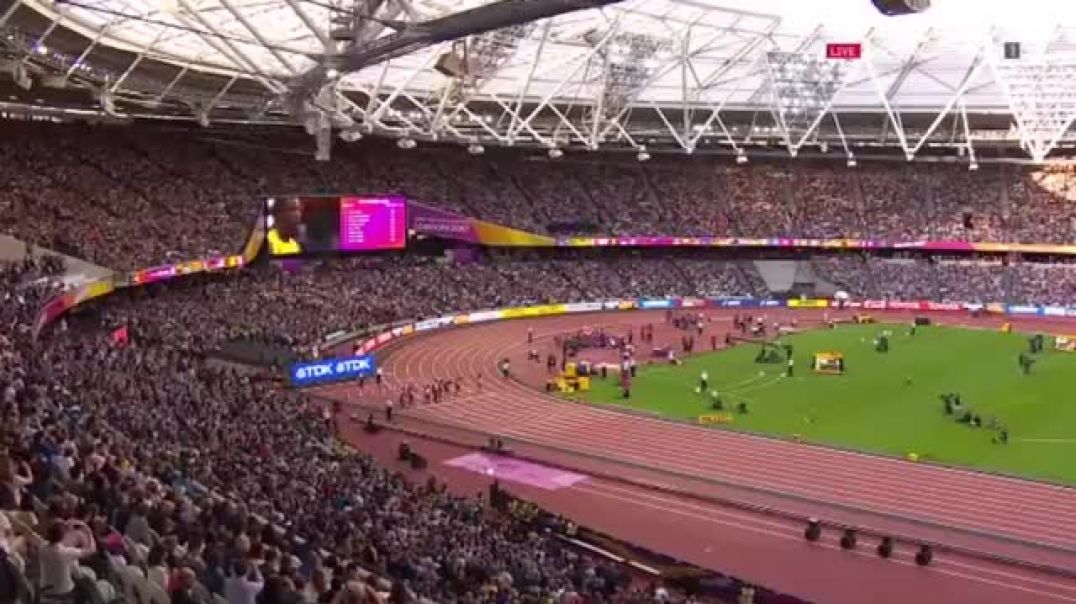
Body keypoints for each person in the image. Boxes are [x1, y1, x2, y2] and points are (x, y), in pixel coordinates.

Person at [38, 519, 97, 600]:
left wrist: (63, 527)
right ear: (63, 535)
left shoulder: (42, 547)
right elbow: (91, 550)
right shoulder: (67, 552)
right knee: (86, 585)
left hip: (45, 591)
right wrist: (88, 531)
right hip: (64, 593)